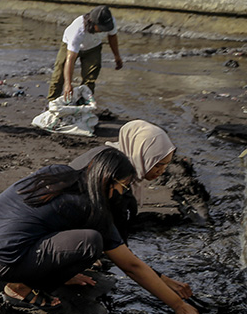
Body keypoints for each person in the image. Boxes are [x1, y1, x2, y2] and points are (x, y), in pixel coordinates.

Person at [0, 148, 200, 314]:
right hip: (0, 263)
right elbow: (132, 266)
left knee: (23, 222)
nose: (124, 193)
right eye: (124, 187)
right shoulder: (92, 209)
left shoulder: (56, 172)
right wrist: (178, 305)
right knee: (91, 243)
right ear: (108, 180)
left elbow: (20, 216)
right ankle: (18, 286)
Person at [69, 120, 192, 299]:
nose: (161, 171)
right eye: (157, 164)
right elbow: (123, 252)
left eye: (165, 165)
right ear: (140, 153)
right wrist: (163, 282)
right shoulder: (116, 181)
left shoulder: (105, 155)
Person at [47, 5, 123, 101]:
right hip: (69, 47)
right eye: (102, 28)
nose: (104, 30)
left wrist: (117, 56)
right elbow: (70, 59)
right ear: (93, 23)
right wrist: (68, 84)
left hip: (93, 47)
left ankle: (83, 103)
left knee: (90, 78)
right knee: (59, 76)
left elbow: (112, 37)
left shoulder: (109, 21)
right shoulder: (78, 30)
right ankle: (51, 103)